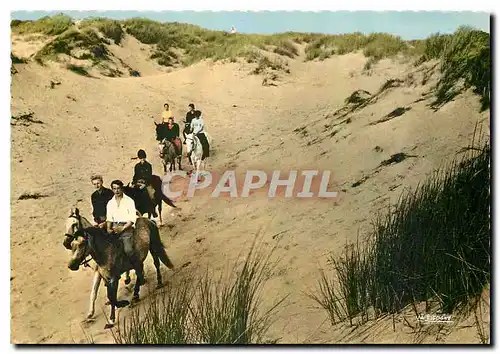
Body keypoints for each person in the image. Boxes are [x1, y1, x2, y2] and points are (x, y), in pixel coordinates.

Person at [106, 180, 144, 285]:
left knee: (128, 250)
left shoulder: (129, 201)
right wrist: (109, 228)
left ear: (122, 188)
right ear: (112, 189)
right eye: (114, 188)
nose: (116, 191)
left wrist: (122, 229)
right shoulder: (110, 203)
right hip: (114, 228)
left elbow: (132, 218)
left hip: (126, 229)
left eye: (118, 188)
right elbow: (109, 218)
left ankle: (139, 270)